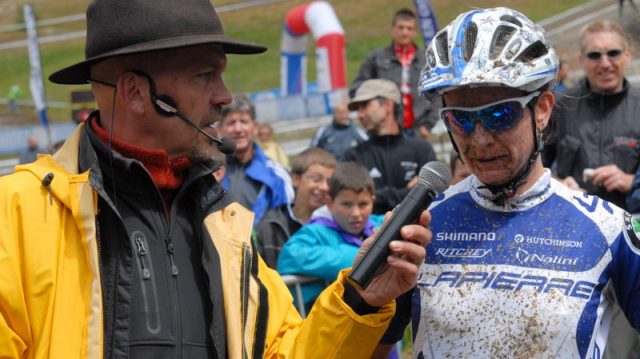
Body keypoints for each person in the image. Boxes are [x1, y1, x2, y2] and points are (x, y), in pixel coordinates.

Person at [0, 0, 431, 357]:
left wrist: (359, 297)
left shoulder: (226, 223)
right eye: (205, 75)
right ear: (134, 92)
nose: (224, 96)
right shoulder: (15, 213)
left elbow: (288, 351)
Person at [376, 7, 640, 358]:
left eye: (500, 114)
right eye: (460, 120)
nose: (480, 139)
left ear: (543, 109)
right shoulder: (420, 227)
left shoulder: (607, 228)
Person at [544, 20, 640, 211]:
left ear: (627, 56)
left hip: (630, 227)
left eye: (613, 53)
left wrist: (631, 181)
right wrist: (558, 186)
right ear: (582, 60)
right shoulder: (560, 106)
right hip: (572, 226)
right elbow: (534, 168)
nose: (605, 63)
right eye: (595, 55)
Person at [278, 162, 383, 311]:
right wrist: (365, 257)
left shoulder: (380, 225)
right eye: (346, 204)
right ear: (329, 203)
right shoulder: (315, 233)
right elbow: (290, 256)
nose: (356, 213)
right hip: (332, 324)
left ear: (372, 201)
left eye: (363, 204)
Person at [345, 78, 436, 214]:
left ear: (387, 105)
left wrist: (377, 195)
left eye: (364, 105)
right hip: (372, 235)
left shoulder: (421, 150)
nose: (359, 114)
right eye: (357, 109)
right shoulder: (353, 155)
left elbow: (430, 197)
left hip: (416, 232)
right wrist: (409, 193)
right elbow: (353, 200)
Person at [350, 8, 440, 138]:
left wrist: (428, 125)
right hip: (383, 128)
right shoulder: (377, 58)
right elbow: (355, 89)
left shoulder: (426, 59)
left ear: (415, 32)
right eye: (401, 27)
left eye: (409, 28)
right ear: (392, 29)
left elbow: (438, 93)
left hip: (417, 129)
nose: (404, 32)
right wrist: (374, 101)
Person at [253, 147, 337, 268]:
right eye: (316, 179)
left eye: (329, 182)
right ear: (295, 179)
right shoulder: (269, 227)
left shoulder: (338, 223)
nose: (324, 187)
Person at [218, 95, 294, 224]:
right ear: (220, 129)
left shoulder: (276, 175)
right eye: (231, 123)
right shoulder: (209, 174)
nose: (238, 129)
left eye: (244, 121)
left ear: (255, 127)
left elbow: (288, 223)